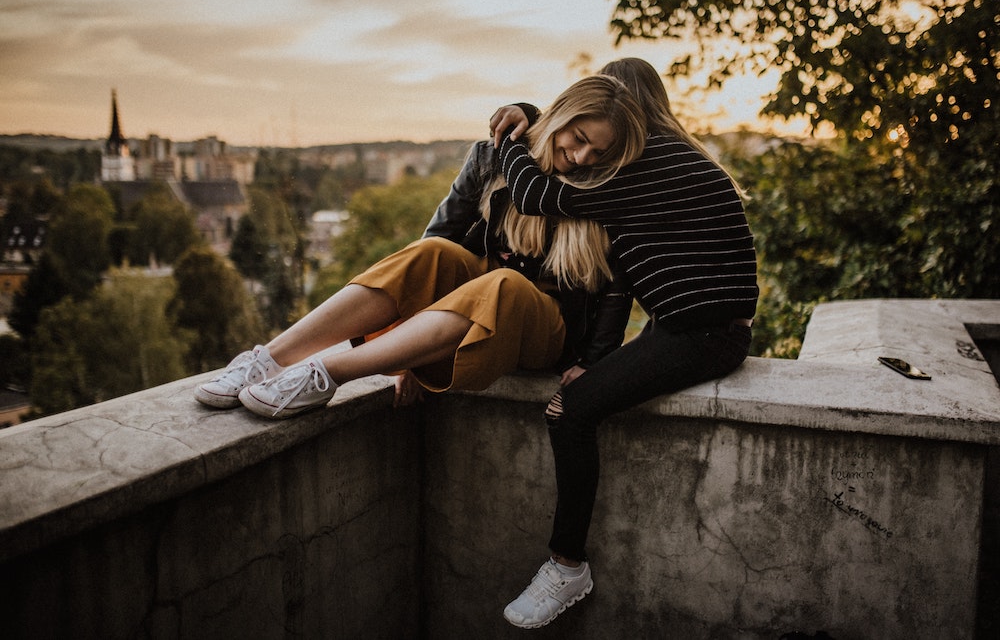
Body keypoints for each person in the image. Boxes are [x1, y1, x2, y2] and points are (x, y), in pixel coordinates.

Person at [194, 74, 647, 421]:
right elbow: (441, 235)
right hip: (475, 295)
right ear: (561, 118)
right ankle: (267, 359)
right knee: (431, 253)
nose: (584, 158)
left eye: (598, 153)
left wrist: (594, 362)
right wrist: (410, 351)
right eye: (580, 140)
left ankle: (327, 374)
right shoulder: (495, 156)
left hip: (548, 324)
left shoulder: (604, 187)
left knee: (504, 284)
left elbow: (615, 285)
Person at [492, 58, 759, 629]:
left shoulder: (645, 166)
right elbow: (623, 277)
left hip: (706, 337)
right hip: (685, 328)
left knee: (569, 412)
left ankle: (567, 566)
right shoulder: (668, 162)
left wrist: (515, 131)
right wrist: (601, 359)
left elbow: (536, 194)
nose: (593, 157)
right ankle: (565, 565)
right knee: (580, 395)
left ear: (628, 115)